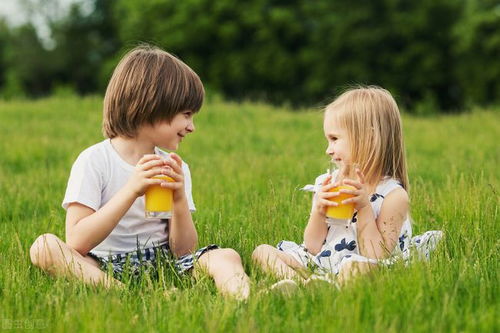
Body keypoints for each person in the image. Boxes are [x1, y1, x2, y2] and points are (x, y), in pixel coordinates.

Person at [29, 44, 250, 300]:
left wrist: (178, 199)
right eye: (187, 115)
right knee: (44, 247)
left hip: (163, 262)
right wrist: (132, 189)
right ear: (153, 106)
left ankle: (245, 298)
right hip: (104, 264)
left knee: (225, 256)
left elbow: (183, 252)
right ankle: (123, 293)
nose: (192, 127)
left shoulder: (175, 167)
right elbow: (77, 242)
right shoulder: (95, 161)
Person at [252, 86, 442, 289]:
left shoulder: (393, 196)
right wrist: (318, 211)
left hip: (361, 263)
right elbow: (313, 247)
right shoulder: (330, 182)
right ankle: (305, 284)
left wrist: (363, 208)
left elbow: (375, 254)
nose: (328, 150)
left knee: (353, 269)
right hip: (325, 261)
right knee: (262, 252)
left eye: (334, 139)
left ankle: (326, 286)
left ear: (367, 137)